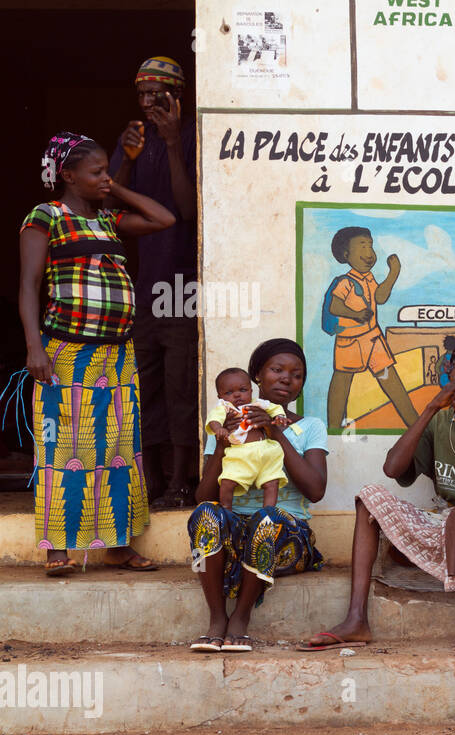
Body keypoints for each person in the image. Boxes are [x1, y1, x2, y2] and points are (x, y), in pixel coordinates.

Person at [307, 345, 455, 656]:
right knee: (369, 495)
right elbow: (392, 468)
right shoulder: (440, 424)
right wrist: (430, 410)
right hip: (445, 528)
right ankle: (356, 619)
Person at [20, 132, 175, 576]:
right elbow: (28, 285)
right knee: (63, 447)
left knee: (119, 449)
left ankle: (118, 546)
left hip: (117, 355)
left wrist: (116, 187)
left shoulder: (108, 219)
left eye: (108, 170)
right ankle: (57, 550)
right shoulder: (46, 217)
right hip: (66, 352)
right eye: (97, 172)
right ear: (68, 176)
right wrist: (34, 346)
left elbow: (163, 218)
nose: (105, 178)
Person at [188, 340, 327, 652]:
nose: (286, 379)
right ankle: (216, 619)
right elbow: (203, 495)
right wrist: (224, 441)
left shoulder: (310, 427)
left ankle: (240, 617)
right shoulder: (228, 423)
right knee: (205, 515)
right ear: (257, 377)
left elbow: (316, 491)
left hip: (287, 539)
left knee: (267, 517)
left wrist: (276, 432)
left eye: (297, 375)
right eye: (277, 370)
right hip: (234, 538)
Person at [110, 56, 198, 510]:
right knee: (144, 386)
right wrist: (125, 160)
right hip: (143, 287)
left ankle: (180, 483)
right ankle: (148, 480)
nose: (148, 103)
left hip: (184, 286)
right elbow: (110, 205)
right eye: (142, 94)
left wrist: (170, 141)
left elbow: (185, 210)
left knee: (181, 384)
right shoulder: (134, 139)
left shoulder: (190, 137)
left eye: (157, 94)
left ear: (177, 95)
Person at [323, 226, 418, 429]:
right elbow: (335, 305)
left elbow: (380, 297)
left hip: (373, 340)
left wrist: (394, 273)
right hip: (350, 342)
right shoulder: (346, 281)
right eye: (362, 245)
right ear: (346, 254)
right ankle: (333, 429)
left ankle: (415, 424)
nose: (369, 252)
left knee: (392, 382)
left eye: (370, 245)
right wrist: (356, 314)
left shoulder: (368, 279)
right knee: (342, 382)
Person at [205, 368, 289, 511]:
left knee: (272, 482)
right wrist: (219, 428)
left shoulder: (258, 404)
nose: (237, 395)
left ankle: (268, 513)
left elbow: (274, 408)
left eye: (243, 390)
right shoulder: (225, 408)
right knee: (227, 482)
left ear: (251, 391)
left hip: (266, 452)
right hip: (240, 455)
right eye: (229, 393)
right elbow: (214, 419)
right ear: (220, 396)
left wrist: (279, 417)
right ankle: (226, 511)